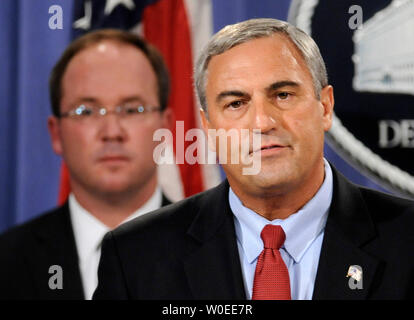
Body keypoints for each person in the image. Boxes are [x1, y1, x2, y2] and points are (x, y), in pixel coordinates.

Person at [93, 19, 414, 300]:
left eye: (283, 95)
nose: (262, 122)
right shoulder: (136, 256)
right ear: (208, 126)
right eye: (236, 103)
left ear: (325, 107)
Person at [0, 29, 173, 300]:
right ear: (56, 133)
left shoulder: (224, 252)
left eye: (132, 109)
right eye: (86, 111)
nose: (112, 131)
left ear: (165, 128)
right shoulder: (6, 262)